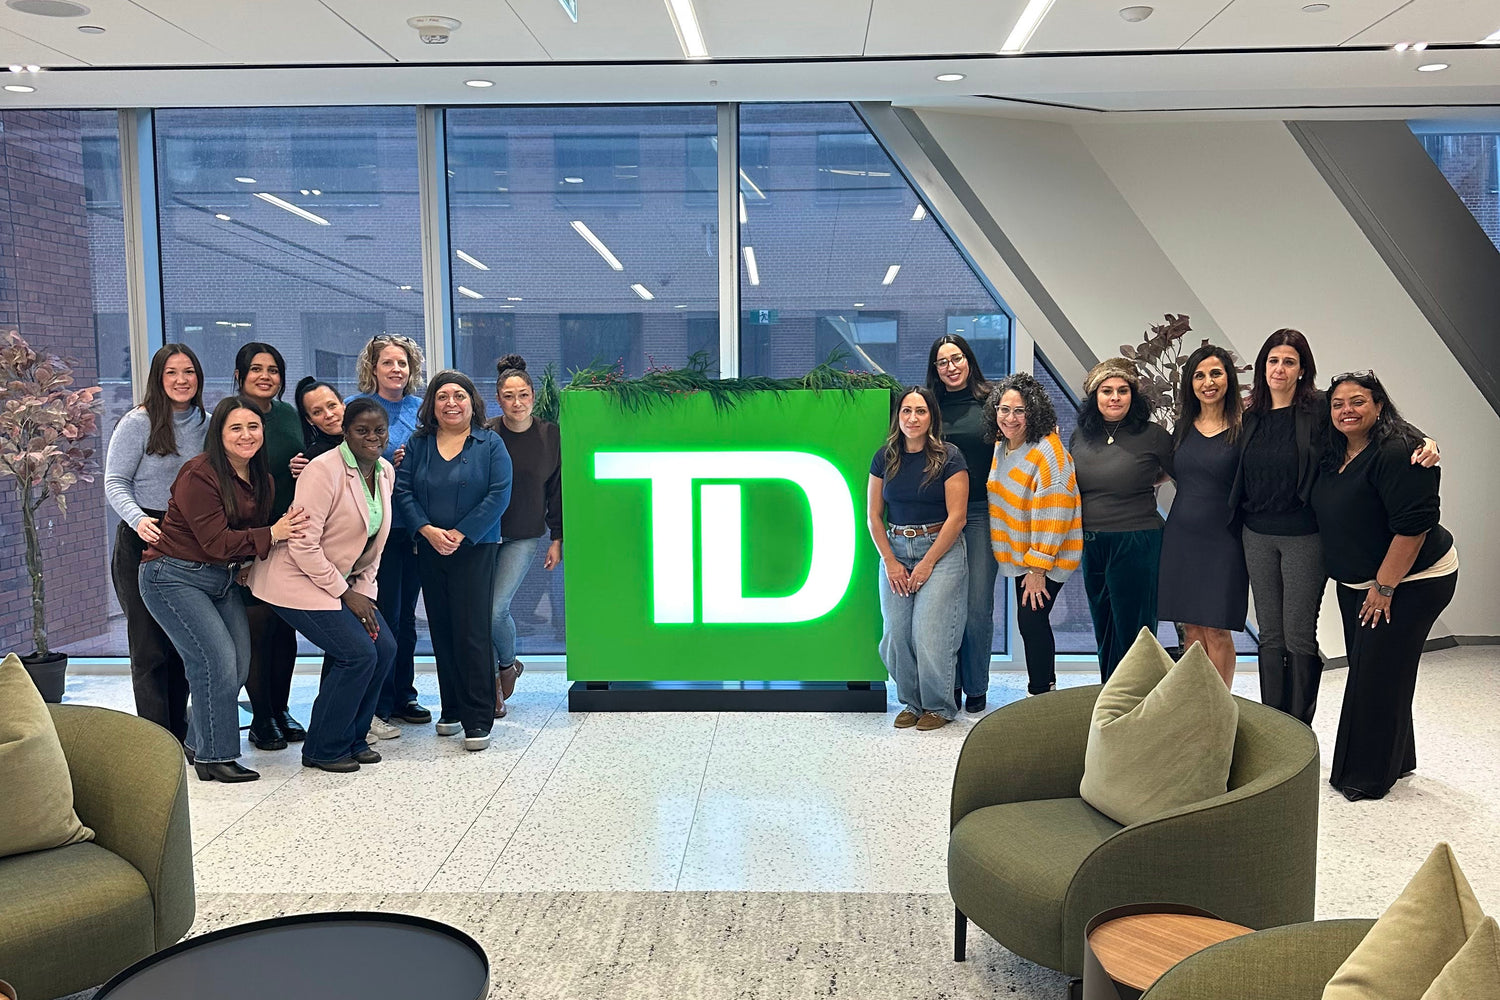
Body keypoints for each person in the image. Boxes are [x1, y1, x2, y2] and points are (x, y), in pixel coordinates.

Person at [1233, 330, 1438, 724]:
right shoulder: (1249, 414)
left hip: (1304, 535)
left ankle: (1298, 729)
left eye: (1289, 361)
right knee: (1270, 633)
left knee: (1297, 632)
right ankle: (1274, 725)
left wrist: (1426, 440)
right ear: (1262, 367)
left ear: (1302, 369)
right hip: (1255, 534)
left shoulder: (1320, 408)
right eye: (1273, 361)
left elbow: (1380, 423)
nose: (1279, 369)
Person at [138, 396, 307, 783]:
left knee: (238, 665)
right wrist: (274, 533)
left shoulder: (262, 479)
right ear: (219, 434)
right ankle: (216, 758)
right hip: (173, 576)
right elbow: (215, 541)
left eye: (253, 427)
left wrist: (248, 562)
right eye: (236, 428)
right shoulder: (198, 474)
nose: (246, 435)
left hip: (222, 579)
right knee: (213, 661)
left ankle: (199, 742)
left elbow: (241, 540)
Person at [1310, 371, 1457, 801]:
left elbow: (1413, 528)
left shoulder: (1399, 450)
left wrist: (1385, 587)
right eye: (1338, 404)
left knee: (1374, 676)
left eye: (1358, 401)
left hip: (1412, 581)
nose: (1347, 410)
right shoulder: (1334, 449)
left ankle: (1366, 777)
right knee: (1377, 670)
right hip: (1359, 582)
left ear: (1378, 405)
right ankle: (1398, 758)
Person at [249, 398, 396, 773]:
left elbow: (373, 545)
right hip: (294, 578)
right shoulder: (322, 470)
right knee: (357, 653)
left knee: (384, 647)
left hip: (338, 581)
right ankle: (323, 748)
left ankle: (353, 738)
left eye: (379, 430)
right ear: (345, 432)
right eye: (361, 430)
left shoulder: (384, 472)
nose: (372, 437)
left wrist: (364, 593)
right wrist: (346, 595)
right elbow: (302, 544)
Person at [394, 370, 512, 751]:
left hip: (475, 547)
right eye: (443, 397)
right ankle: (453, 709)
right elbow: (403, 491)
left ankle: (478, 718)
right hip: (430, 547)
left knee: (472, 631)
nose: (451, 403)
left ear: (472, 403)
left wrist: (461, 533)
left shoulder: (489, 443)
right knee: (442, 629)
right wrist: (427, 530)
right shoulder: (419, 444)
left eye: (459, 396)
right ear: (432, 405)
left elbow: (499, 494)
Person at [104, 343, 208, 744]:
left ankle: (178, 735)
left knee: (183, 645)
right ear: (158, 379)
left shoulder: (208, 423)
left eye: (189, 372)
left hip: (190, 540)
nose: (182, 380)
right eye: (172, 373)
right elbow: (116, 481)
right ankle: (155, 743)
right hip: (143, 537)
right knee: (149, 648)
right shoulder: (138, 422)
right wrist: (138, 519)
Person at [867, 386, 968, 731]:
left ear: (932, 417)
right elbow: (873, 516)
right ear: (898, 417)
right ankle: (911, 703)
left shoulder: (950, 457)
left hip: (940, 550)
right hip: (895, 550)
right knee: (896, 634)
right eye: (907, 411)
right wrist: (890, 561)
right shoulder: (884, 457)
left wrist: (927, 563)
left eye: (921, 411)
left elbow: (957, 517)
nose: (913, 418)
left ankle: (939, 706)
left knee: (929, 634)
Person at [1069, 358, 1173, 681]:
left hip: (1137, 539)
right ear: (1094, 396)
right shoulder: (1080, 437)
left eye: (1122, 390)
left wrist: (1146, 481)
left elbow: (1178, 472)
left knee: (1135, 630)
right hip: (1092, 541)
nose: (1115, 397)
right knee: (1103, 626)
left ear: (1133, 395)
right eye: (1107, 390)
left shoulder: (1154, 435)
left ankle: (1137, 698)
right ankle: (1110, 694)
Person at [348, 334, 430, 733]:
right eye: (388, 363)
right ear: (373, 368)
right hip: (370, 530)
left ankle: (404, 695)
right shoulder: (357, 407)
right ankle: (376, 704)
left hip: (409, 528)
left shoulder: (422, 409)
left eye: (402, 363)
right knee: (381, 616)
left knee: (406, 619)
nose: (396, 369)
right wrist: (384, 460)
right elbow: (343, 459)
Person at [982, 373, 1082, 696]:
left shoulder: (1048, 451)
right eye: (1004, 409)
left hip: (1047, 555)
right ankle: (1042, 690)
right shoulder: (1002, 445)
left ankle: (1041, 692)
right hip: (1022, 553)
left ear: (1034, 412)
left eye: (1019, 411)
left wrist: (1038, 568)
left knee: (1031, 621)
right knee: (1030, 622)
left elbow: (1055, 511)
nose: (1010, 418)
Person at [1157, 345, 1248, 686]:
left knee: (1217, 628)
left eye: (1215, 374)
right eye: (1199, 375)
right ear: (1190, 383)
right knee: (1191, 628)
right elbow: (1164, 472)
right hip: (1181, 537)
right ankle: (1197, 702)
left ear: (1229, 378)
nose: (1208, 382)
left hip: (1225, 538)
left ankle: (1220, 705)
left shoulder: (1245, 427)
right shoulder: (1182, 427)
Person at [232, 342, 307, 751]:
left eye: (273, 369)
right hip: (251, 537)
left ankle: (281, 709)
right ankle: (261, 717)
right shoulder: (231, 416)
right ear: (240, 375)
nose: (266, 376)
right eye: (256, 369)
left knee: (285, 630)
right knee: (257, 630)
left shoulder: (289, 415)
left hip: (289, 537)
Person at [483, 355, 562, 719]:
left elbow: (556, 489)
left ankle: (506, 664)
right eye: (509, 396)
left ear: (533, 395)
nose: (517, 403)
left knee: (495, 609)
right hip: (483, 535)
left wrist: (557, 537)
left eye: (524, 395)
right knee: (478, 612)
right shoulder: (486, 434)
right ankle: (494, 686)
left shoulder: (550, 435)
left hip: (524, 534)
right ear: (499, 399)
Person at [927, 334, 996, 713]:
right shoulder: (929, 406)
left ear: (969, 360)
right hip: (938, 515)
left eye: (957, 359)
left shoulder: (991, 401)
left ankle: (976, 686)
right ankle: (947, 684)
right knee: (943, 605)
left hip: (982, 513)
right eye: (942, 362)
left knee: (977, 606)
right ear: (935, 368)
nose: (951, 367)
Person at [289, 375, 345, 474]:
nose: (329, 415)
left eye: (332, 405)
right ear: (309, 419)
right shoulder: (312, 458)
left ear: (343, 404)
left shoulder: (367, 438)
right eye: (317, 412)